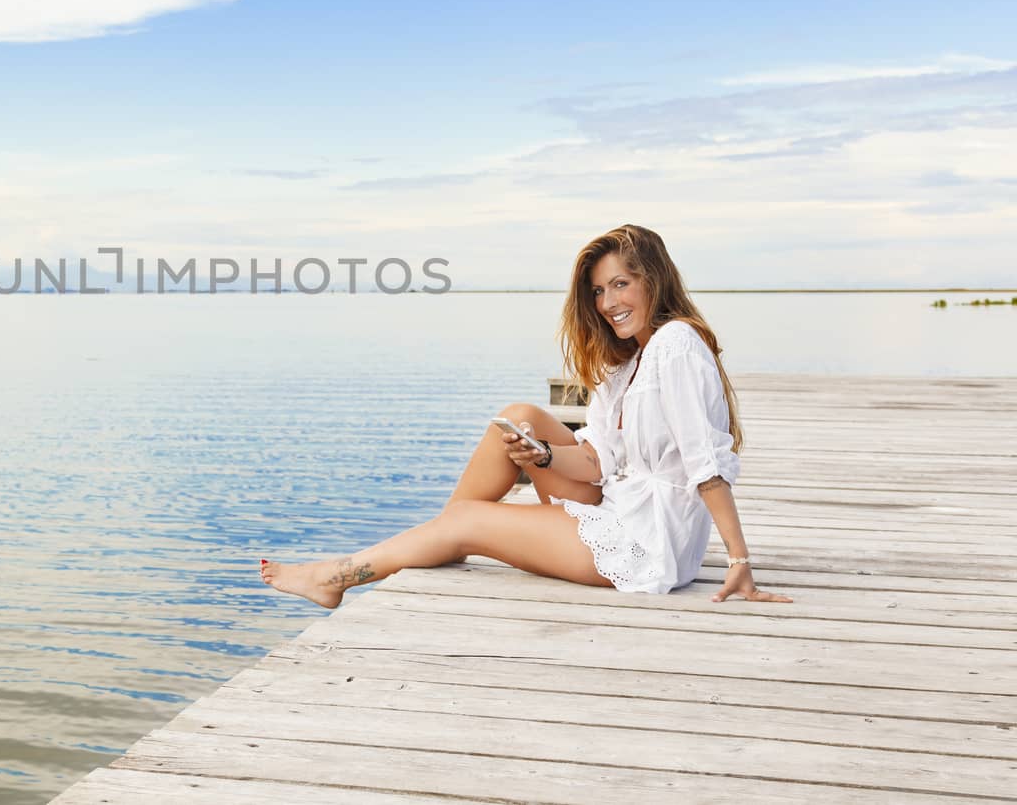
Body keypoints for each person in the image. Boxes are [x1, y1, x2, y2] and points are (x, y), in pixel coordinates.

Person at [260, 224, 792, 607]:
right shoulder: (629, 362)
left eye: (621, 285)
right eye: (600, 292)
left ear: (654, 280)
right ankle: (443, 538)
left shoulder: (676, 344)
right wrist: (539, 454)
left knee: (467, 519)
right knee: (517, 418)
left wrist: (739, 562)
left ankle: (339, 575)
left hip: (647, 545)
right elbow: (595, 459)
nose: (608, 303)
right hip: (619, 504)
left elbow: (706, 461)